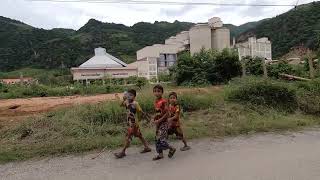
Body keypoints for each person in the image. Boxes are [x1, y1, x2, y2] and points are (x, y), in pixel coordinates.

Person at [114, 89, 151, 159]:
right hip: (130, 123)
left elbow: (137, 110)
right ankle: (147, 147)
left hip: (134, 123)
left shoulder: (135, 103)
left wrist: (146, 117)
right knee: (139, 135)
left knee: (128, 136)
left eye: (131, 95)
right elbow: (121, 105)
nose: (129, 96)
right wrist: (122, 99)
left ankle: (123, 152)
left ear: (134, 97)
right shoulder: (126, 102)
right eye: (128, 95)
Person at [152, 85, 176, 161]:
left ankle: (171, 148)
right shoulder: (156, 101)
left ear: (162, 92)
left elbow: (167, 113)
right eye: (155, 91)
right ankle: (160, 154)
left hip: (164, 124)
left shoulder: (164, 101)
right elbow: (157, 113)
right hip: (158, 124)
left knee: (162, 140)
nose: (157, 93)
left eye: (158, 91)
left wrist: (159, 120)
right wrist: (153, 119)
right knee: (157, 140)